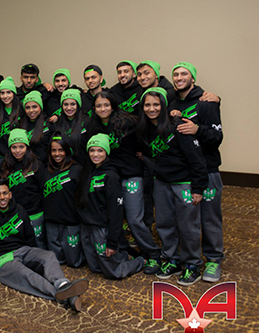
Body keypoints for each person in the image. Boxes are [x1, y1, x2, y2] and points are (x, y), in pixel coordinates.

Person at [0, 179, 89, 312]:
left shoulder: (19, 209)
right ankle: (64, 296)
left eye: (4, 193)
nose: (2, 197)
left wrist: (35, 257)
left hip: (23, 250)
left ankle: (63, 284)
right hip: (2, 259)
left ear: (10, 194)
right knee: (28, 275)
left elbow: (29, 237)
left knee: (48, 255)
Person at [137, 88, 208, 286]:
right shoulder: (144, 130)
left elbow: (197, 159)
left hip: (184, 183)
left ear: (164, 106)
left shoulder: (178, 125)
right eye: (148, 105)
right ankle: (172, 259)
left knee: (188, 226)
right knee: (164, 224)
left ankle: (192, 265)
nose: (152, 109)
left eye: (156, 104)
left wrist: (198, 188)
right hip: (161, 183)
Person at [86, 92, 161, 274]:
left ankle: (153, 255)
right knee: (114, 218)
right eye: (98, 106)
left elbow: (145, 137)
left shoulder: (128, 122)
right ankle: (127, 251)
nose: (102, 109)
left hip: (130, 175)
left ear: (112, 105)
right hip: (109, 177)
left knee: (134, 219)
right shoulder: (94, 126)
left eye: (106, 105)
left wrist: (144, 154)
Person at [169, 62, 224, 282]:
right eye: (176, 74)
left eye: (184, 74)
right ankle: (188, 260)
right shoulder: (173, 101)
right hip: (184, 172)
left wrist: (197, 129)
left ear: (193, 77)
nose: (179, 77)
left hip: (208, 169)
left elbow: (217, 137)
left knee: (209, 218)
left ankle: (213, 260)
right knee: (187, 220)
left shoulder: (206, 102)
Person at [75, 134, 145, 279]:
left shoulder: (111, 175)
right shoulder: (87, 171)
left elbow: (116, 211)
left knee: (113, 272)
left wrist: (112, 242)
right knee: (95, 267)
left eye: (100, 150)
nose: (95, 154)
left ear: (106, 151)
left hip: (102, 227)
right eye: (92, 150)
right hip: (86, 226)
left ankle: (139, 261)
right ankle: (123, 256)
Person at [40, 135, 84, 267]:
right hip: (51, 221)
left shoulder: (77, 169)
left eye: (61, 150)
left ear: (67, 151)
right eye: (54, 150)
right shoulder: (46, 170)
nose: (57, 154)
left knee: (73, 262)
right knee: (57, 260)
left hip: (71, 221)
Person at [0, 129, 45, 249]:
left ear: (27, 147)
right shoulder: (5, 166)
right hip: (15, 212)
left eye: (21, 146)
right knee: (19, 243)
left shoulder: (36, 164)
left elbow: (43, 188)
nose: (18, 151)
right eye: (14, 147)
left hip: (35, 213)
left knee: (37, 242)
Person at [0, 76, 22, 164]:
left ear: (13, 93)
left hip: (18, 154)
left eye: (8, 92)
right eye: (2, 93)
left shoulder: (22, 109)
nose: (5, 96)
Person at [19, 91, 52, 162]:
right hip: (26, 165)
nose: (31, 110)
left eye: (34, 107)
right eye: (28, 107)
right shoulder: (20, 124)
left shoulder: (49, 124)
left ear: (40, 107)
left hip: (44, 165)